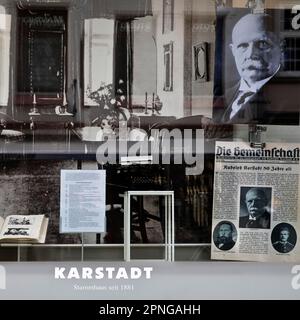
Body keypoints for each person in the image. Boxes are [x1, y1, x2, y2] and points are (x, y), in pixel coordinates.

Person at [213, 12, 299, 125]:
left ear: (281, 48)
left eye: (262, 44)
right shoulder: (222, 97)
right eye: (243, 46)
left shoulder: (293, 98)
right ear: (233, 50)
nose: (251, 54)